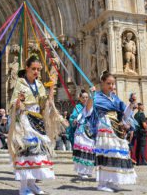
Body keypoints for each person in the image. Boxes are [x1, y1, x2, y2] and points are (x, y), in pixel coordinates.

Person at [8, 55, 67, 195]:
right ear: (27, 68)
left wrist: (51, 91)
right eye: (33, 69)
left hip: (37, 120)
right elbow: (12, 104)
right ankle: (23, 187)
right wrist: (18, 102)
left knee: (37, 152)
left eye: (38, 69)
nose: (36, 72)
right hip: (24, 120)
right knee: (26, 151)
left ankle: (32, 184)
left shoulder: (39, 85)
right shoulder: (20, 83)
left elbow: (43, 104)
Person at [85, 71, 137, 192]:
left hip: (116, 127)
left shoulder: (115, 98)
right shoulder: (97, 96)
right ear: (102, 82)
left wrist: (131, 104)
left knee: (115, 153)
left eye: (113, 84)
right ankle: (102, 183)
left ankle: (112, 181)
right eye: (109, 83)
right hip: (105, 127)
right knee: (106, 153)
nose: (111, 86)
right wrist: (91, 97)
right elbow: (88, 111)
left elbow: (125, 115)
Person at [72, 89, 95, 178]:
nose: (85, 99)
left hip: (90, 131)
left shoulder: (92, 106)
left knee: (90, 150)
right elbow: (73, 117)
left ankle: (88, 170)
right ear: (80, 98)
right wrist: (74, 120)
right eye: (83, 97)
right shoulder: (77, 107)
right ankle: (81, 171)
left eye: (86, 97)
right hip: (81, 131)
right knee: (82, 150)